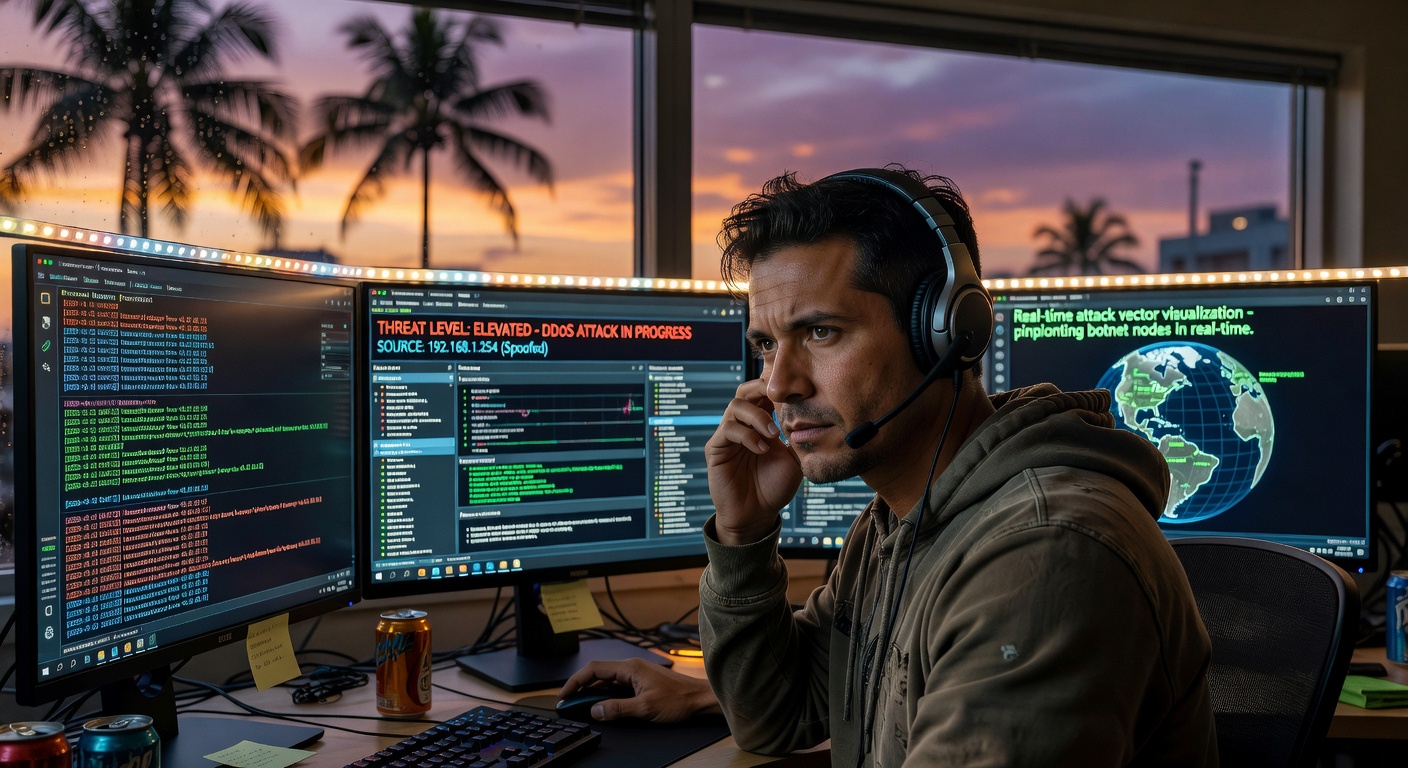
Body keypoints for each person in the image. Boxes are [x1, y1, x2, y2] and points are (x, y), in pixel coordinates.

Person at [562, 165, 1217, 766]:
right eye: (766, 344)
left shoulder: (1045, 553)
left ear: (945, 332)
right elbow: (774, 718)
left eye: (821, 332)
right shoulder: (899, 524)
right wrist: (744, 534)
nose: (779, 384)